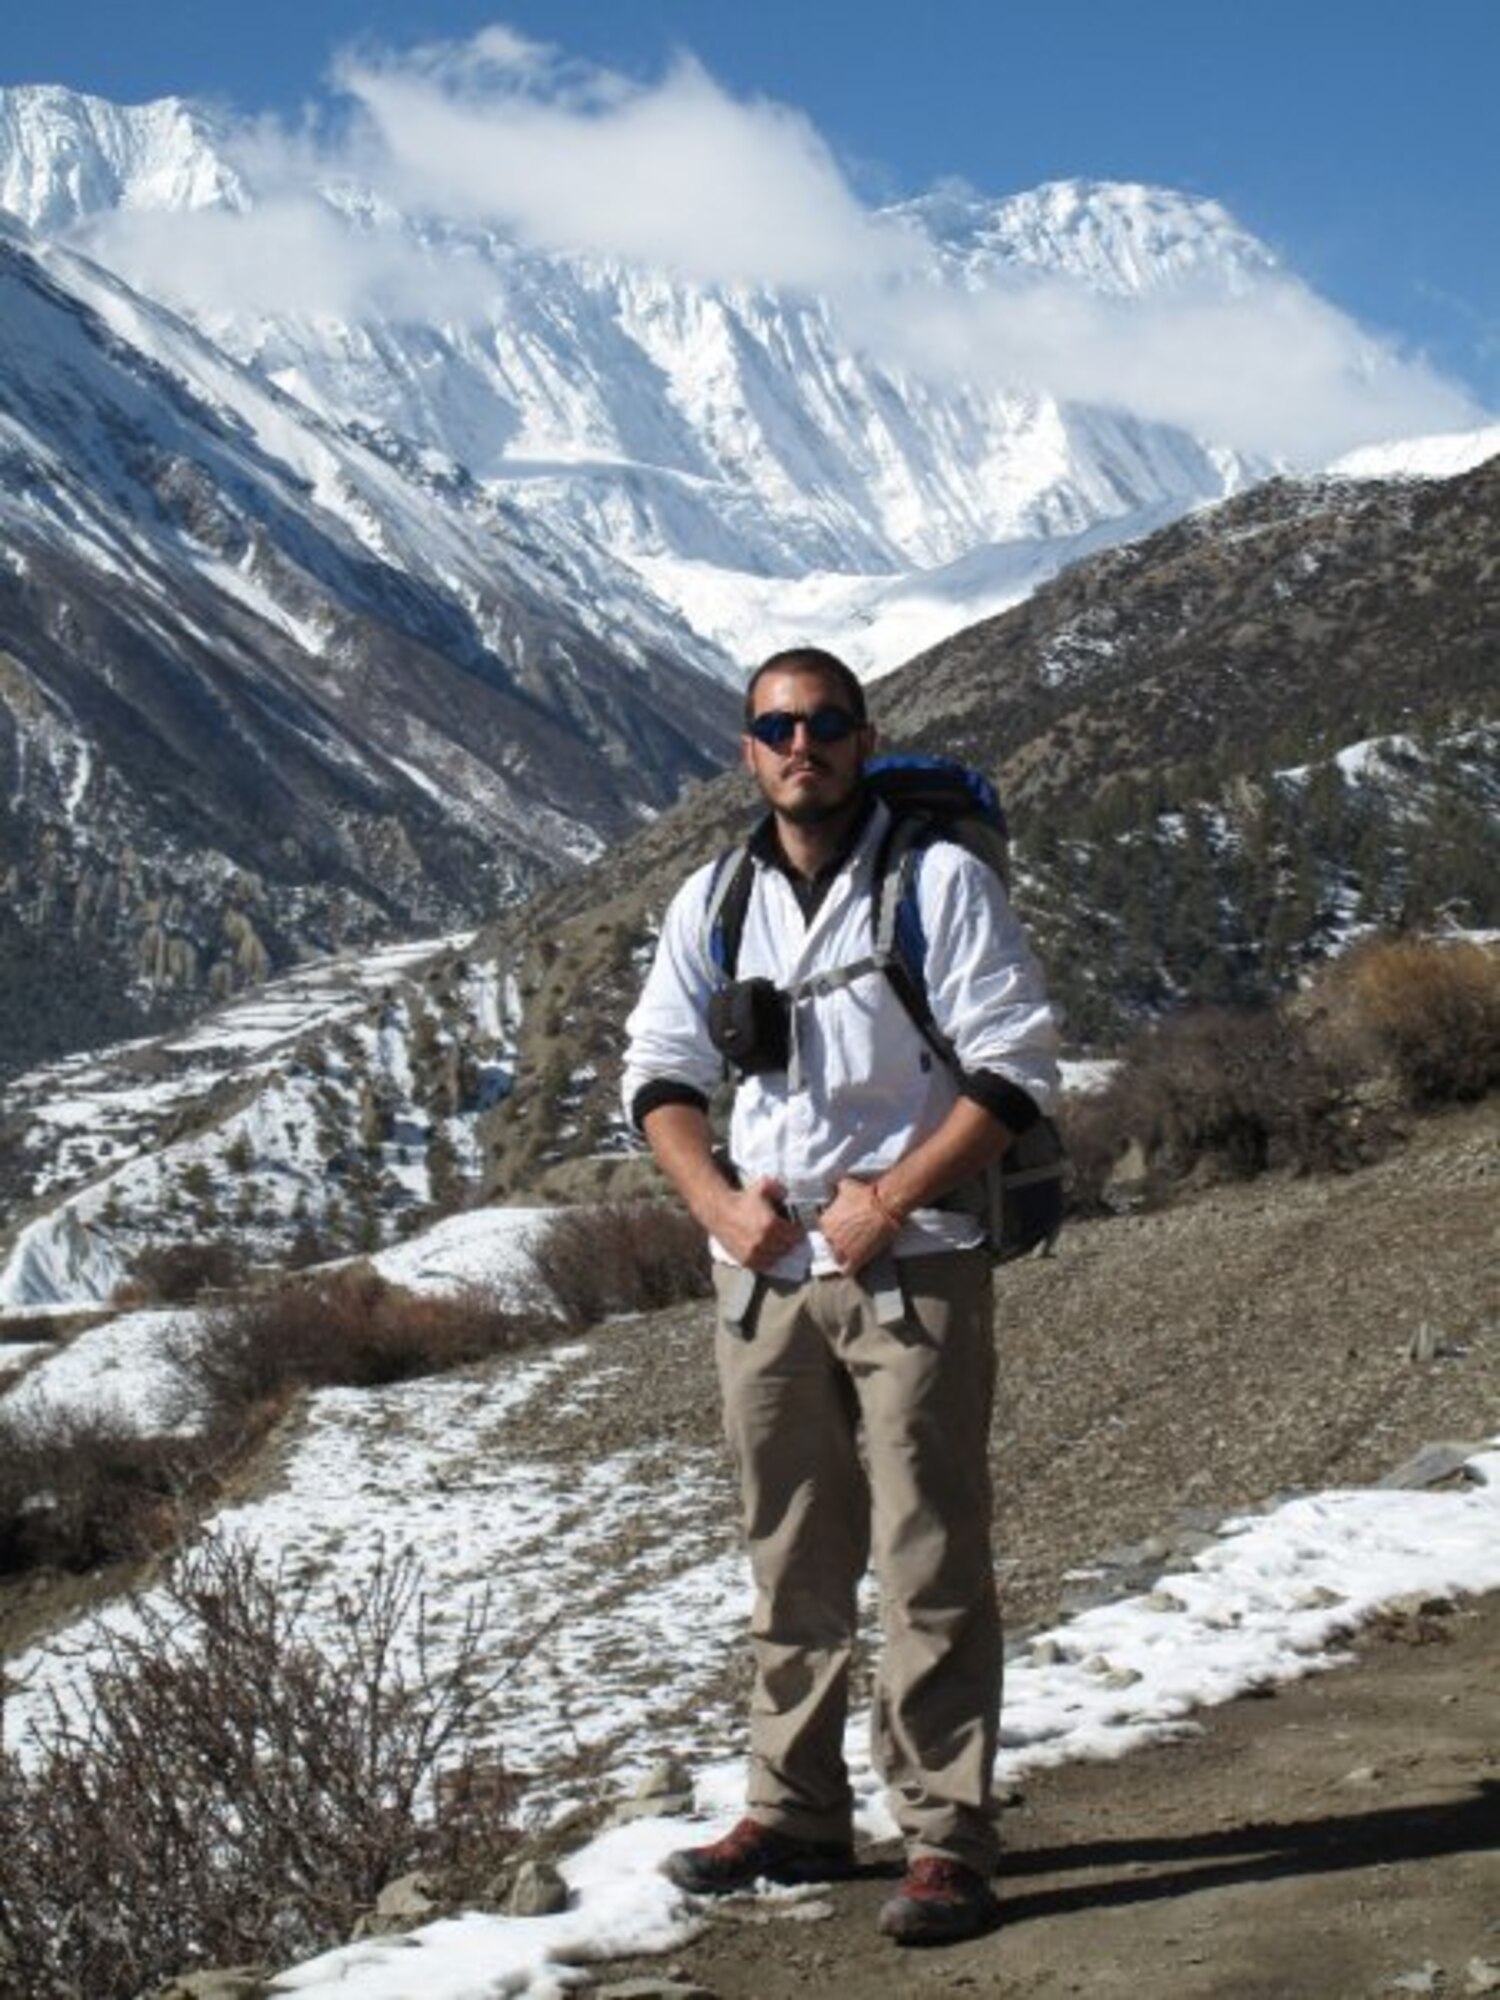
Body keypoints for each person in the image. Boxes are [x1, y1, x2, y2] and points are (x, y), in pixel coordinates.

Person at [620, 646, 1060, 1945]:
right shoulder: (713, 898)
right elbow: (660, 1071)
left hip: (910, 1257)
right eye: (775, 726)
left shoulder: (937, 882)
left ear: (864, 737)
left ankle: (945, 1836)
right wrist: (714, 1205)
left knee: (928, 1549)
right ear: (746, 749)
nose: (799, 745)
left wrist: (890, 1195)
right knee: (791, 1551)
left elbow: (1014, 1062)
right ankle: (797, 1807)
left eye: (822, 723)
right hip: (761, 1269)